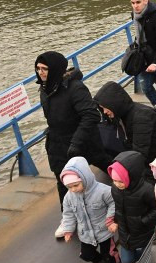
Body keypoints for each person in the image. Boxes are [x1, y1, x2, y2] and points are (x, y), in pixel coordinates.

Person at [35, 51, 106, 237]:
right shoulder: (44, 89)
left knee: (106, 162)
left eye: (45, 69)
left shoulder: (75, 88)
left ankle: (129, 186)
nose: (40, 72)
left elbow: (91, 115)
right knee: (62, 179)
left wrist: (76, 141)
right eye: (38, 69)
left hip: (82, 141)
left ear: (56, 69)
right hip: (58, 142)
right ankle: (69, 219)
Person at [58, 156, 123, 263]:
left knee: (110, 252)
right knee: (86, 254)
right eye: (69, 187)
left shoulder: (103, 191)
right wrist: (68, 229)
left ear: (85, 179)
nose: (73, 189)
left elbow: (113, 204)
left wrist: (111, 220)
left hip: (103, 231)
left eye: (76, 185)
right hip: (85, 233)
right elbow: (68, 214)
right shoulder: (69, 197)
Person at [107, 150, 156, 263]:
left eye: (120, 181)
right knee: (128, 260)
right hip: (126, 234)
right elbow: (118, 207)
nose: (117, 184)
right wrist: (115, 220)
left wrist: (143, 221)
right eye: (115, 181)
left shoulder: (147, 190)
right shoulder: (115, 189)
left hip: (144, 234)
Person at [94, 81, 156, 161]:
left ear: (114, 103)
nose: (104, 111)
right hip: (155, 155)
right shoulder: (124, 113)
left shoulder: (141, 117)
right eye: (102, 109)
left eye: (105, 107)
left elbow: (140, 153)